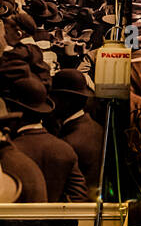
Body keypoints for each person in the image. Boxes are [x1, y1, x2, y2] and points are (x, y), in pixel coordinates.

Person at [2, 77, 88, 202]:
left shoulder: (10, 154)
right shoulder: (65, 149)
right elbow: (78, 197)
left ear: (13, 112)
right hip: (55, 220)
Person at [51, 69, 104, 199]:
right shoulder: (97, 128)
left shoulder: (68, 142)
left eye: (54, 97)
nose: (51, 103)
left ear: (66, 101)